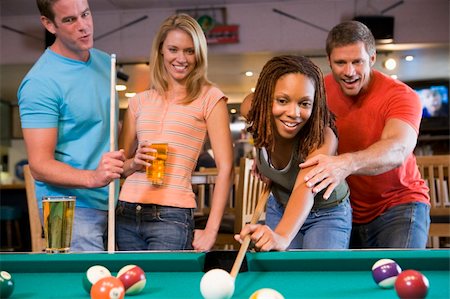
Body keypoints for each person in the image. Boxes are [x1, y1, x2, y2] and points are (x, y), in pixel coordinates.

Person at [301, 21, 430, 248]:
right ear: (329, 60)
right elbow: (294, 128)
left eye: (357, 62)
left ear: (371, 59)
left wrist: (346, 163)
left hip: (399, 205)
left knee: (398, 279)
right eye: (340, 63)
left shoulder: (401, 95)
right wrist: (270, 158)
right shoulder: (318, 90)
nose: (349, 72)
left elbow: (397, 148)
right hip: (342, 208)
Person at [116, 14, 234, 251]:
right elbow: (120, 166)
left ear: (199, 54)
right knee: (133, 288)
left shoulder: (210, 98)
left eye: (189, 51)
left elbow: (226, 168)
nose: (181, 58)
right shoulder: (139, 101)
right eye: (173, 49)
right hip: (127, 212)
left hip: (172, 216)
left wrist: (211, 230)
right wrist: (135, 164)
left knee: (165, 287)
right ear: (161, 50)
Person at [18, 0, 125, 251]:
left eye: (85, 14)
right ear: (49, 24)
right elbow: (40, 166)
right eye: (70, 20)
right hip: (67, 208)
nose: (84, 26)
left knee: (117, 287)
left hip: (113, 201)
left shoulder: (103, 63)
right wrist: (93, 177)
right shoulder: (40, 82)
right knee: (83, 288)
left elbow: (103, 129)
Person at [235, 55, 352, 251]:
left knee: (314, 278)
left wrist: (281, 236)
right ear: (265, 99)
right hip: (280, 206)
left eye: (304, 103)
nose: (294, 113)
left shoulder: (322, 137)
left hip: (326, 214)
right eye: (282, 100)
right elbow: (261, 128)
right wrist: (262, 157)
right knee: (278, 277)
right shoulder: (252, 110)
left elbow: (304, 188)